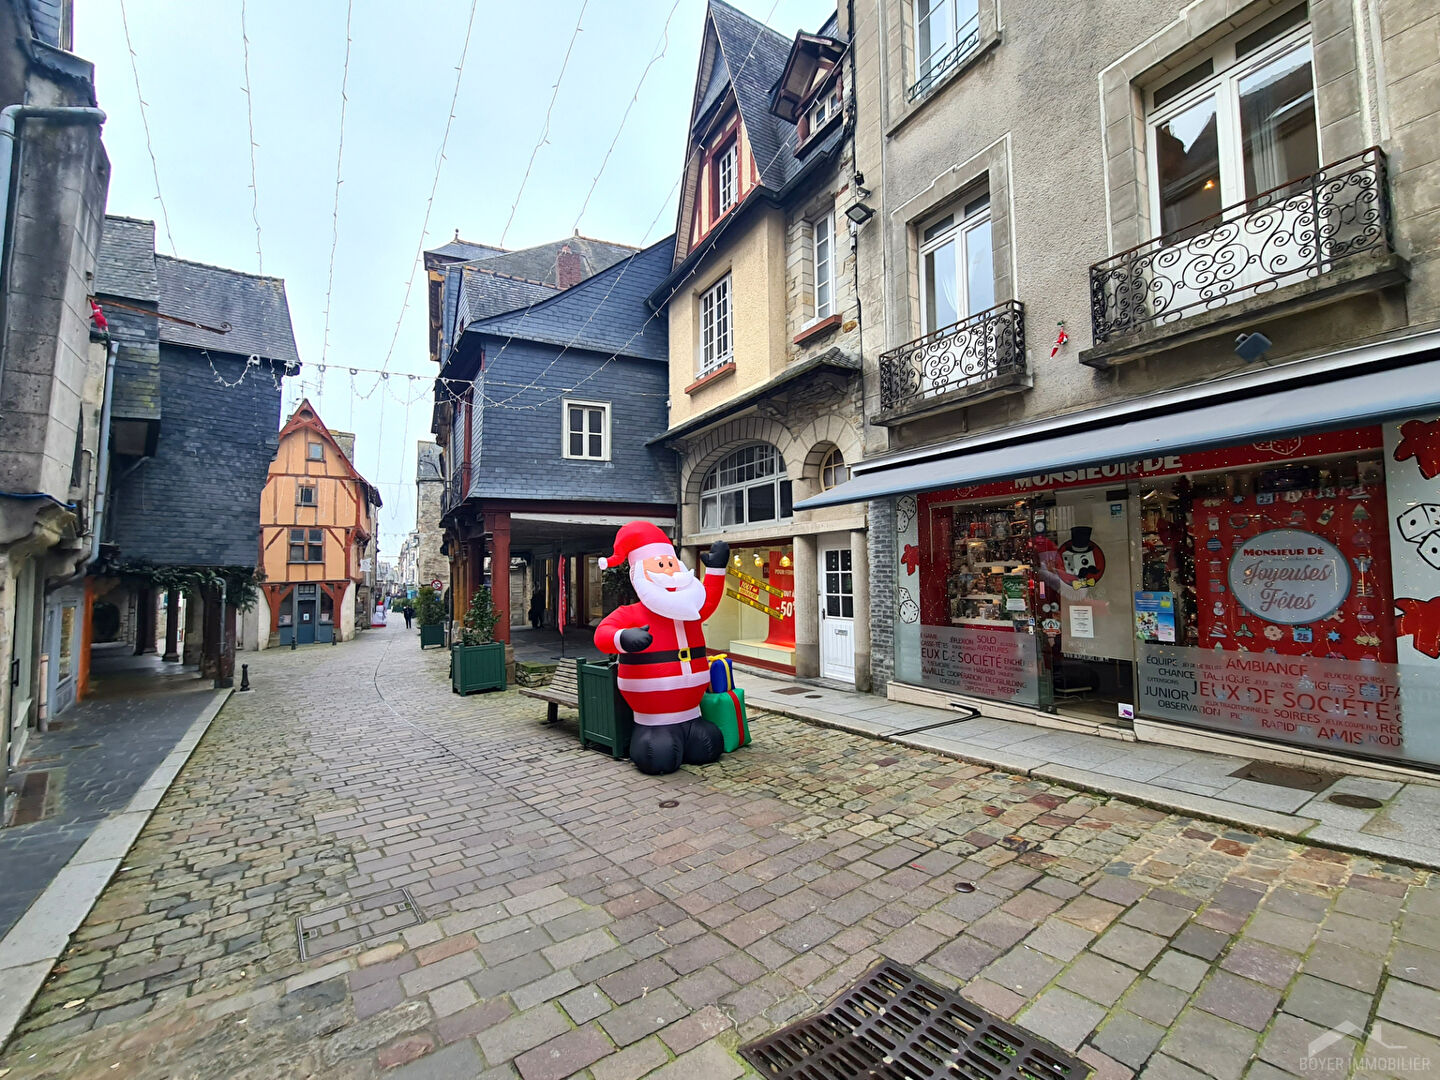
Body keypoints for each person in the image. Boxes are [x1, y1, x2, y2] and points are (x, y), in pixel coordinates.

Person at [594, 520, 729, 775]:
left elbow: (707, 602)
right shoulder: (632, 613)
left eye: (670, 565)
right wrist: (623, 638)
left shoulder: (688, 609)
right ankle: (652, 733)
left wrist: (716, 571)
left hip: (692, 710)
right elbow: (603, 633)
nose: (668, 572)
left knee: (707, 745)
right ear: (639, 574)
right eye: (660, 566)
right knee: (659, 754)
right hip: (652, 717)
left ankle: (690, 726)